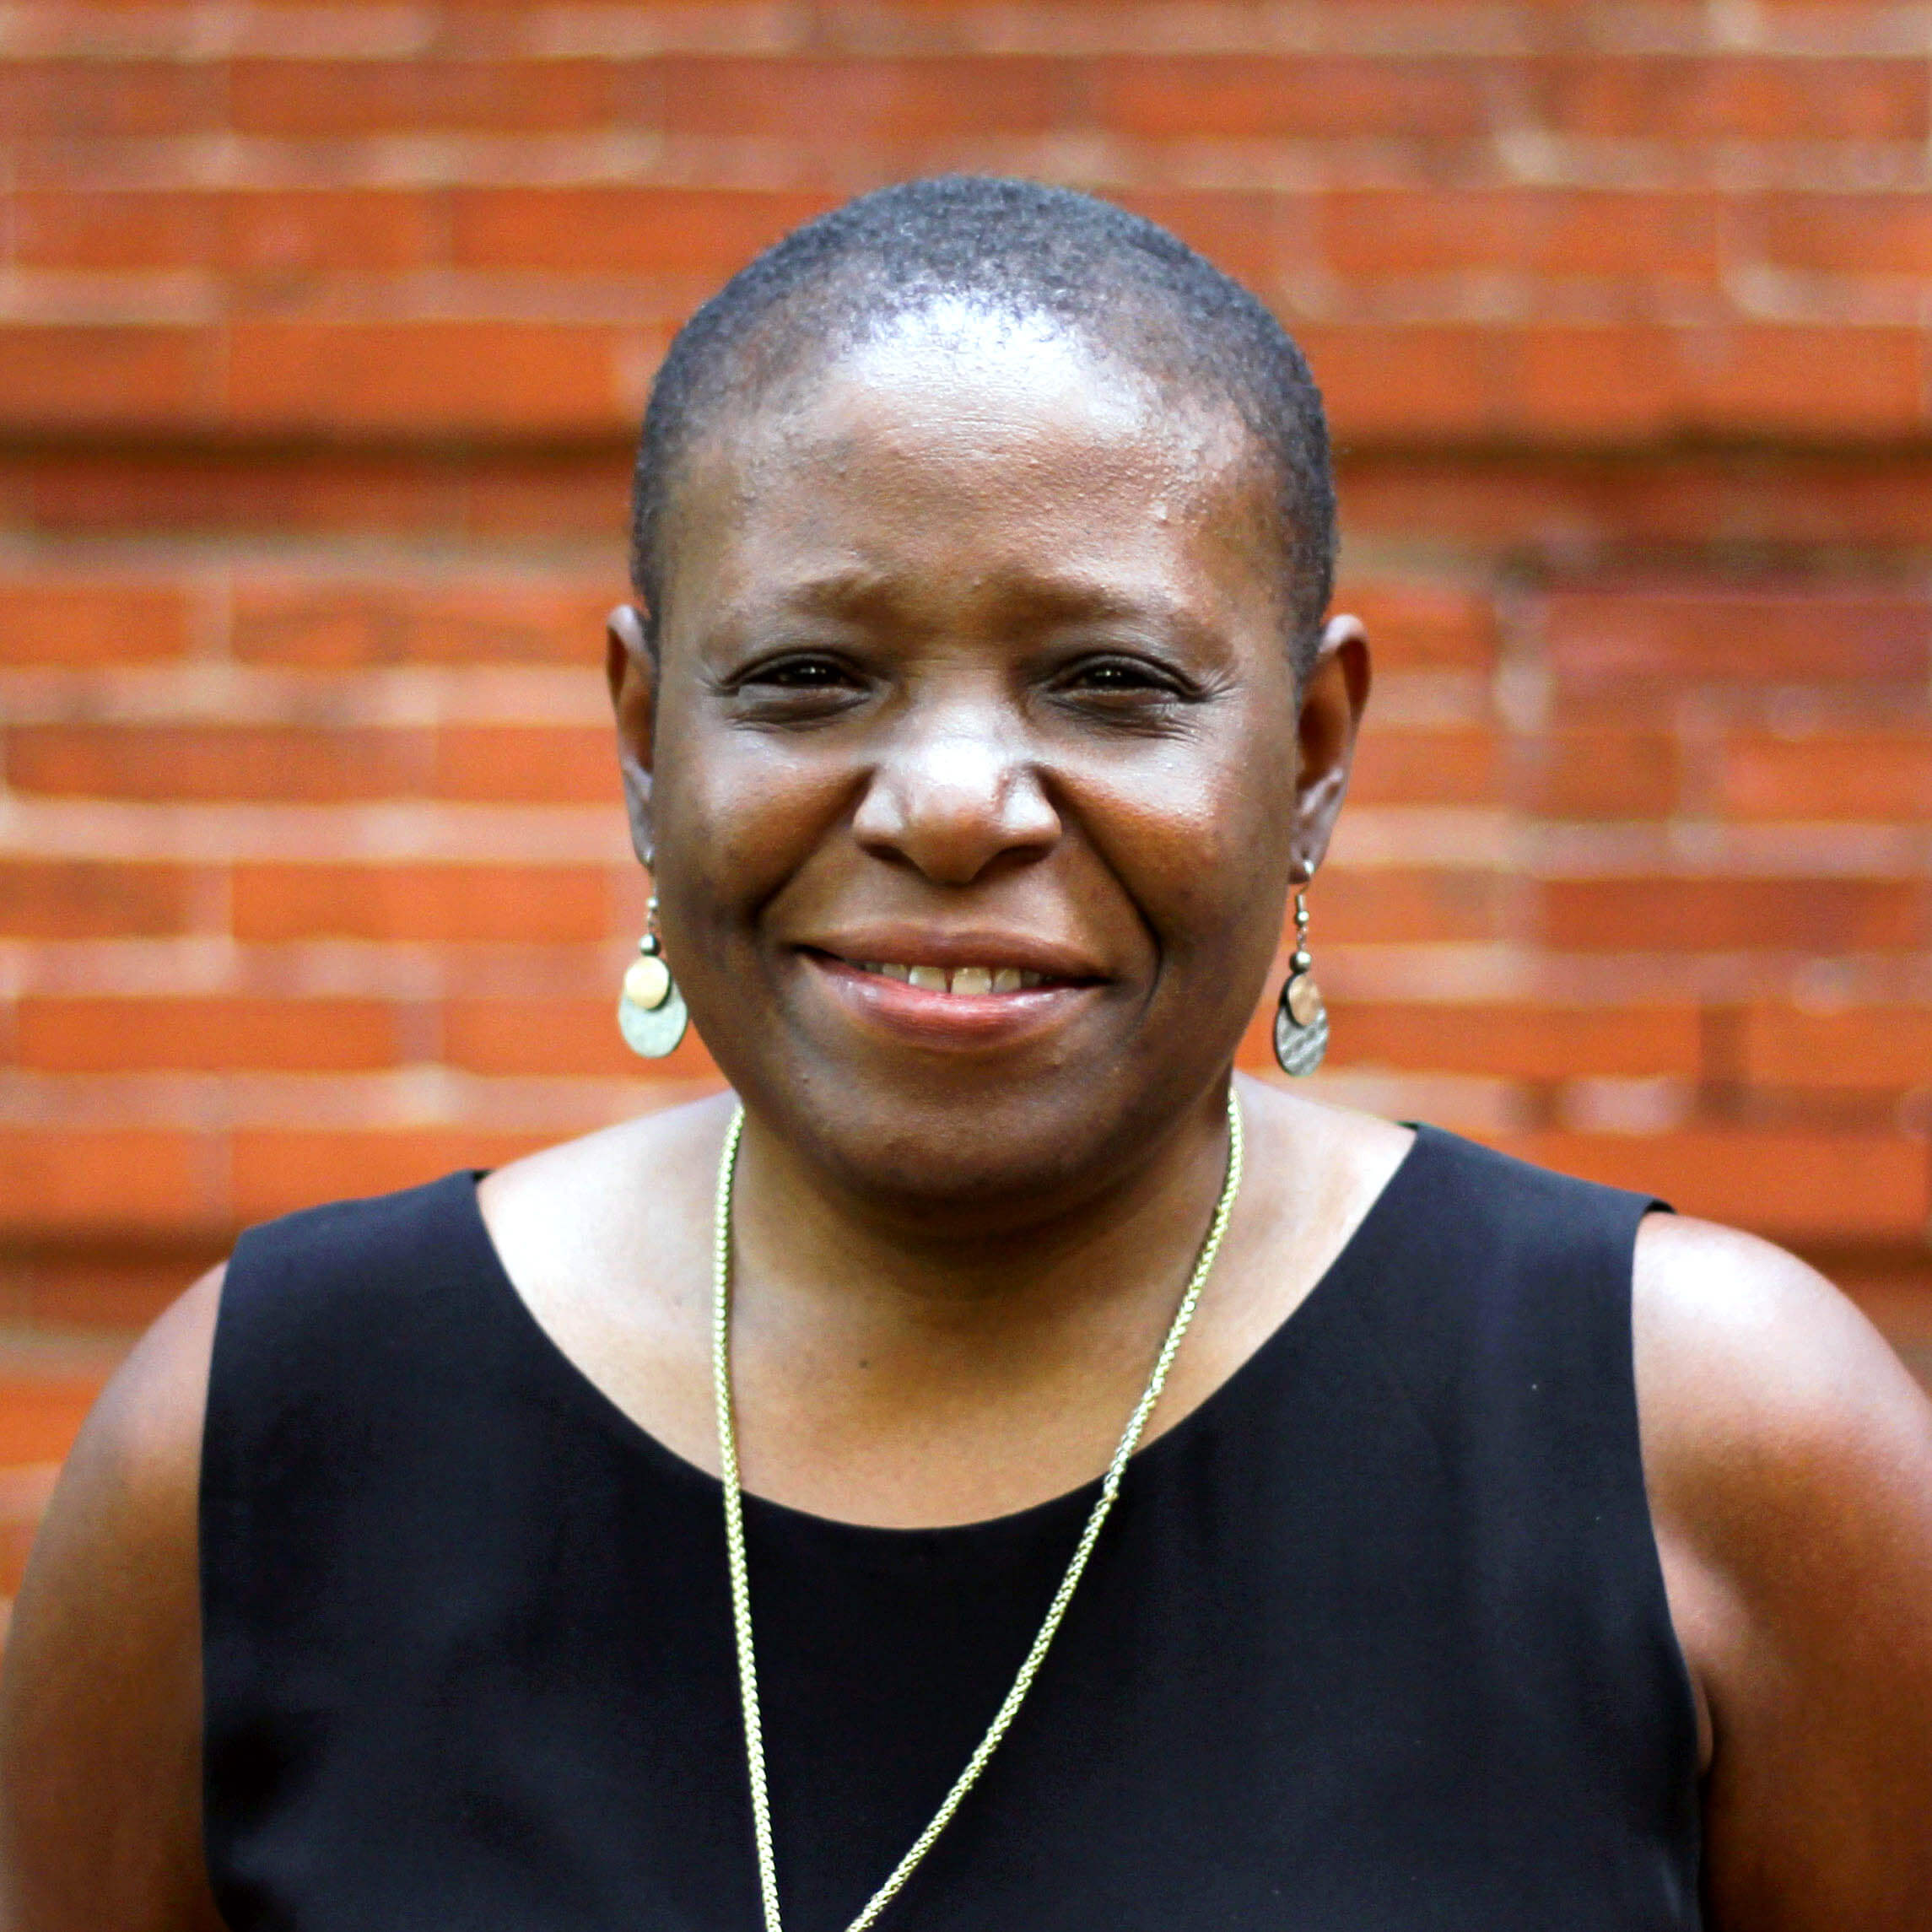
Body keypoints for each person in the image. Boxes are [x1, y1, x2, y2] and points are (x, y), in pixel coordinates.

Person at [3, 176, 1929, 1932]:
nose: (944, 804)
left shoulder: (1714, 1443)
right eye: (805, 678)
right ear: (640, 737)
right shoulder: (256, 1441)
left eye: (1109, 682)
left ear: (1315, 753)